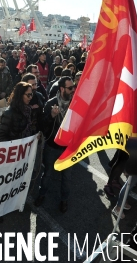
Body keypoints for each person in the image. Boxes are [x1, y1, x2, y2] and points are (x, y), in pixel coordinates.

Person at [34, 76, 76, 213]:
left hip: (68, 148)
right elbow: (43, 127)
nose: (72, 90)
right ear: (62, 88)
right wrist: (51, 116)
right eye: (70, 88)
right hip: (52, 147)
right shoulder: (51, 103)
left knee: (67, 177)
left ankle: (64, 199)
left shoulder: (75, 104)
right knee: (47, 174)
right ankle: (42, 195)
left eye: (73, 87)